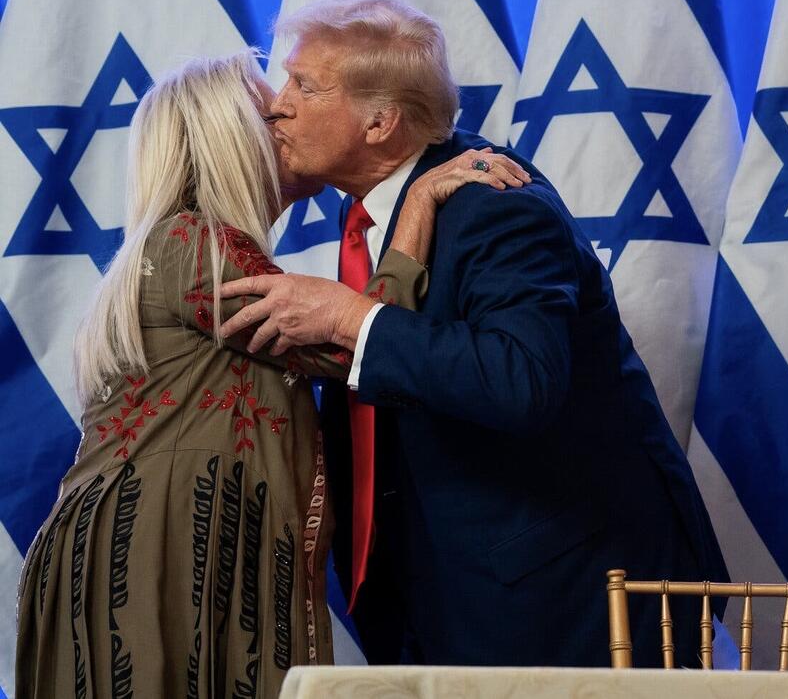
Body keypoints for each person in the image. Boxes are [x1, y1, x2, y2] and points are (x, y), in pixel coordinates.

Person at [218, 0, 729, 667]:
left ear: (380, 123)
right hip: (438, 592)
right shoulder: (375, 208)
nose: (277, 106)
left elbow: (521, 378)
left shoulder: (494, 201)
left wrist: (348, 317)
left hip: (565, 601)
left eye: (303, 86)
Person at [15, 51, 521, 698]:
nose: (289, 116)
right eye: (272, 113)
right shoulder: (194, 243)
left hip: (176, 549)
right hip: (152, 560)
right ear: (227, 140)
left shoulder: (191, 247)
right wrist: (419, 200)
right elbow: (357, 342)